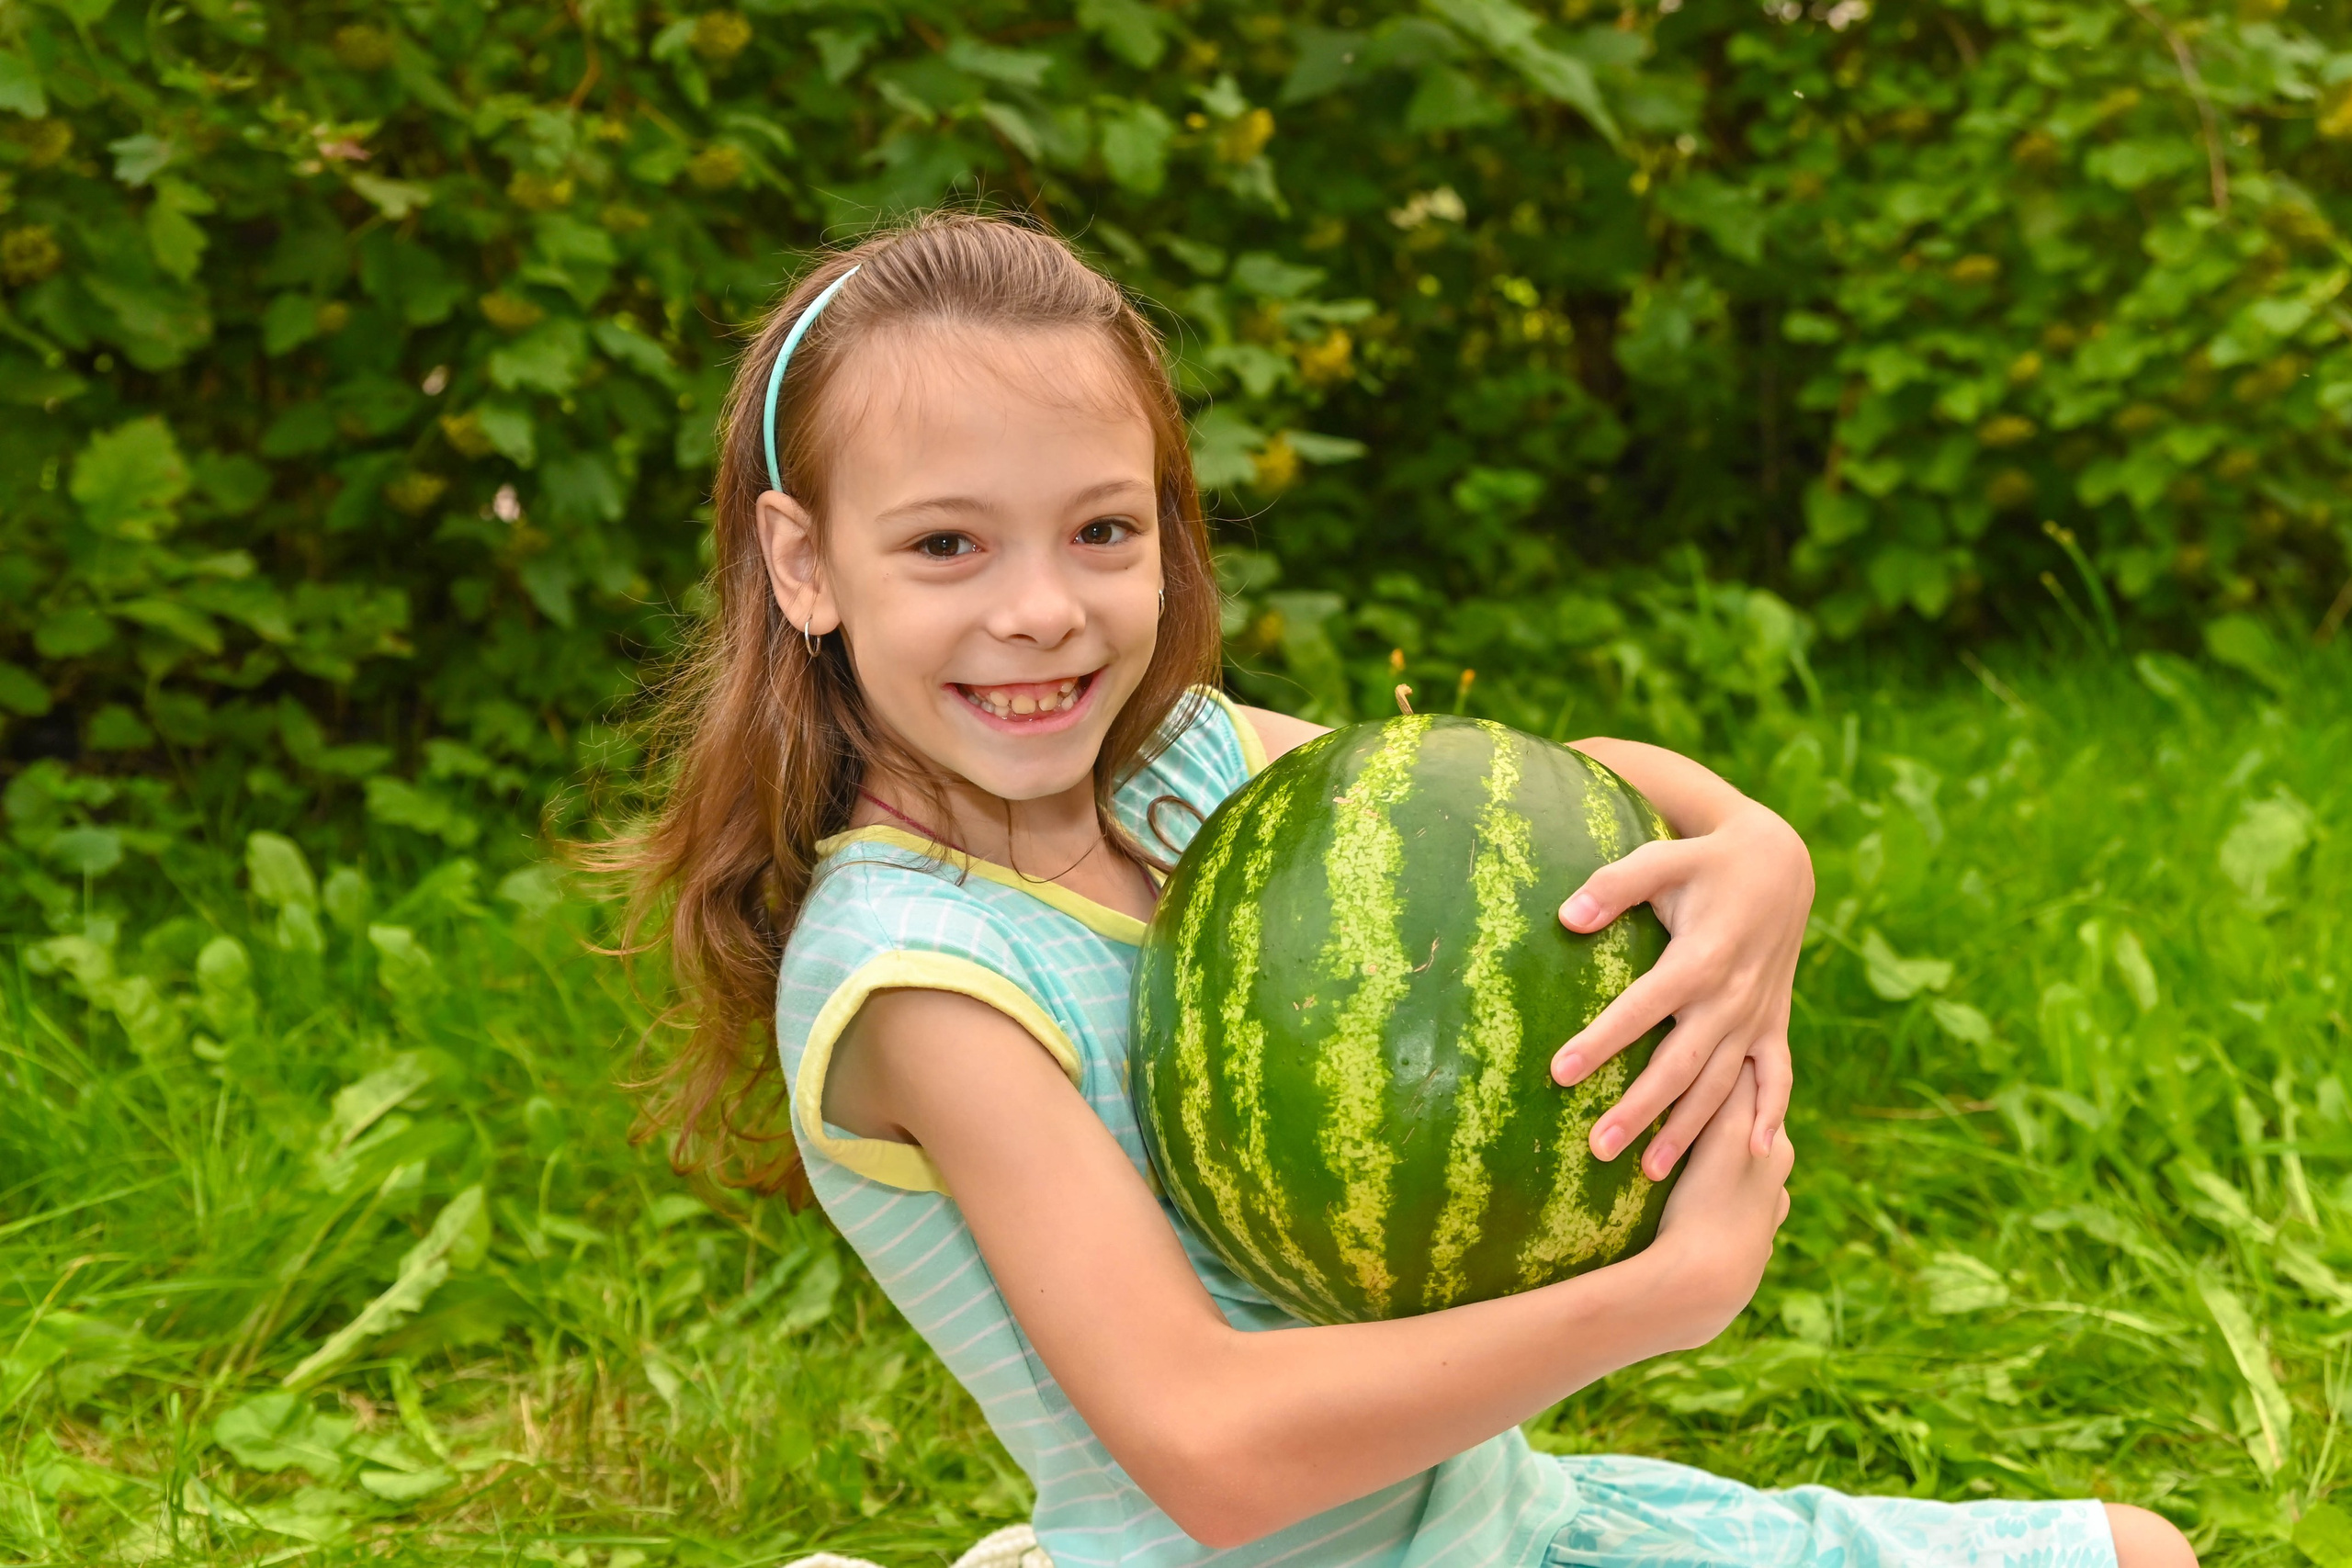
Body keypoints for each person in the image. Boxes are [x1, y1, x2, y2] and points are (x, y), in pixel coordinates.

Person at [615, 212, 2193, 1568]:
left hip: (1501, 1522)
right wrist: (1672, 1294)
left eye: (1101, 529)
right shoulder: (924, 980)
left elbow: (1547, 787)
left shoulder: (1181, 765)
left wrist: (1755, 852)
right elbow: (1209, 1447)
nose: (1041, 611)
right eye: (948, 544)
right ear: (805, 564)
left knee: (2144, 1555)